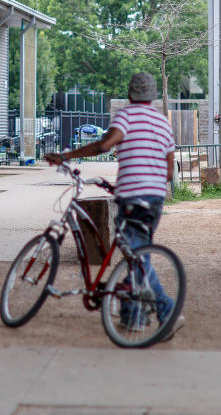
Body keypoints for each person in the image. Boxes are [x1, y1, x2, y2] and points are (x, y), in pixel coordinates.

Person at [46, 71, 183, 339]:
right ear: (153, 96)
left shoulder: (127, 115)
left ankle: (167, 310)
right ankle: (134, 316)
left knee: (137, 256)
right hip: (154, 199)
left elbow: (104, 145)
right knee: (137, 252)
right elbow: (169, 170)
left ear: (131, 94)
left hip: (132, 197)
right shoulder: (163, 123)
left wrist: (66, 155)